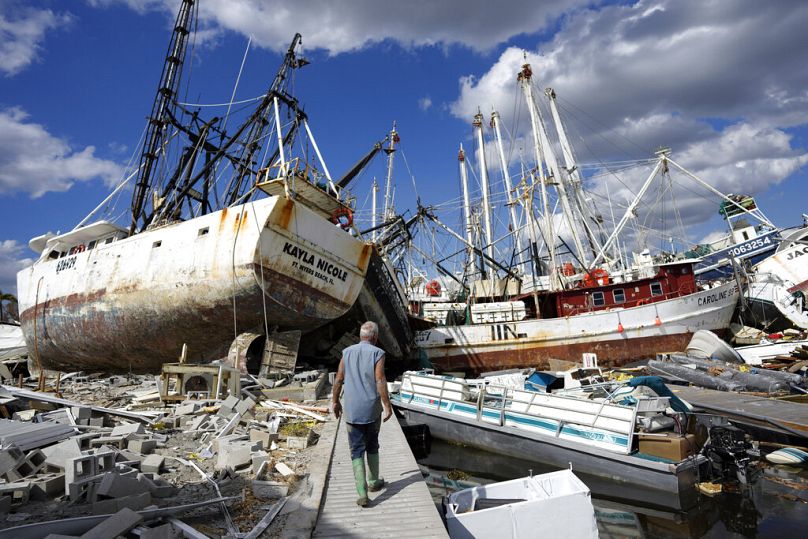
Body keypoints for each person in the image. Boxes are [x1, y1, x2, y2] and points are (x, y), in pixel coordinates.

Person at [331, 321, 393, 507]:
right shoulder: (378, 353)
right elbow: (380, 379)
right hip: (372, 410)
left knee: (356, 449)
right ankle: (374, 482)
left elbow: (339, 378)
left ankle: (362, 493)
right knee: (372, 444)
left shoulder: (347, 352)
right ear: (375, 337)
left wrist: (335, 401)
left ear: (360, 336)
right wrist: (387, 405)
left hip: (351, 409)